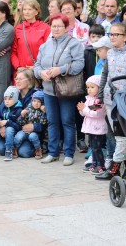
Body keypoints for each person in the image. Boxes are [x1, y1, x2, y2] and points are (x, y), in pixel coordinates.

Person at [96, 23, 126, 179]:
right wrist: (100, 95)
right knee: (113, 135)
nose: (112, 37)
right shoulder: (110, 53)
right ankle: (117, 168)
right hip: (110, 100)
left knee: (124, 137)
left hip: (125, 103)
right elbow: (106, 75)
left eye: (116, 34)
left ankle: (121, 169)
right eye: (111, 34)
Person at [34, 13, 84, 166]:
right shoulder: (45, 45)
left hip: (66, 91)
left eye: (59, 26)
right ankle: (53, 152)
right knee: (52, 121)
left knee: (67, 121)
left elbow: (79, 65)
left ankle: (69, 153)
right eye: (53, 26)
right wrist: (41, 73)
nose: (56, 29)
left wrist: (60, 70)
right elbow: (36, 66)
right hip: (49, 90)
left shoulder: (74, 44)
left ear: (67, 27)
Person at [11, 0, 51, 80]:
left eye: (29, 9)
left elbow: (49, 51)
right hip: (21, 72)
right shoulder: (17, 29)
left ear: (36, 12)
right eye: (24, 9)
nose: (26, 12)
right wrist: (18, 67)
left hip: (38, 71)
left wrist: (37, 68)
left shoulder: (45, 28)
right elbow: (13, 52)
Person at [77, 75, 107, 174]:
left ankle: (101, 165)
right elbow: (85, 113)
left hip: (97, 127)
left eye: (92, 87)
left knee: (97, 147)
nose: (89, 90)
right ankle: (94, 163)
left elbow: (96, 113)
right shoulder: (89, 99)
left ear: (99, 88)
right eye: (88, 87)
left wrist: (84, 109)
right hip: (90, 127)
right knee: (93, 147)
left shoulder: (99, 101)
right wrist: (81, 109)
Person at [13, 68, 39, 158]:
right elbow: (1, 111)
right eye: (16, 79)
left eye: (20, 79)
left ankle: (38, 148)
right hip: (16, 129)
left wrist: (35, 127)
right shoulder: (13, 94)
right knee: (1, 148)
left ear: (29, 81)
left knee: (24, 153)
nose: (17, 81)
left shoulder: (37, 96)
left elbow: (45, 119)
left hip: (32, 133)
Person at [15, 90, 47, 159]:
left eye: (39, 101)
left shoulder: (42, 112)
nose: (36, 103)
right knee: (19, 136)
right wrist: (22, 116)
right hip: (25, 131)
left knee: (33, 136)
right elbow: (20, 123)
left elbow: (43, 123)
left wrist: (44, 113)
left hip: (36, 133)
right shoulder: (28, 109)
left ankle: (38, 149)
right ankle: (14, 149)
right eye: (34, 101)